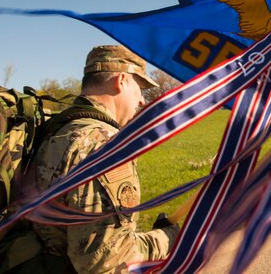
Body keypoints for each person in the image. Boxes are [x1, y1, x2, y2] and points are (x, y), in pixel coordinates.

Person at [30, 45, 179, 273]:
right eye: (140, 89)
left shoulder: (59, 127)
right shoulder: (102, 145)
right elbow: (104, 263)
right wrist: (169, 237)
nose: (141, 101)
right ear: (122, 81)